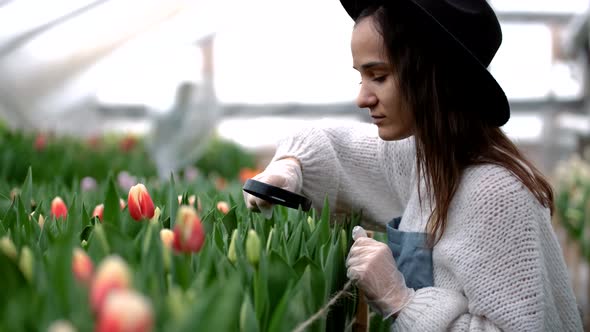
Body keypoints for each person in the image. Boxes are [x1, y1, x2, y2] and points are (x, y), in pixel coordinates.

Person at [243, 0, 584, 330]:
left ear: (432, 74)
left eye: (378, 76)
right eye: (361, 77)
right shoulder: (427, 164)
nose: (362, 98)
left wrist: (399, 299)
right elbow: (336, 147)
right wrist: (290, 167)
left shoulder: (495, 194)